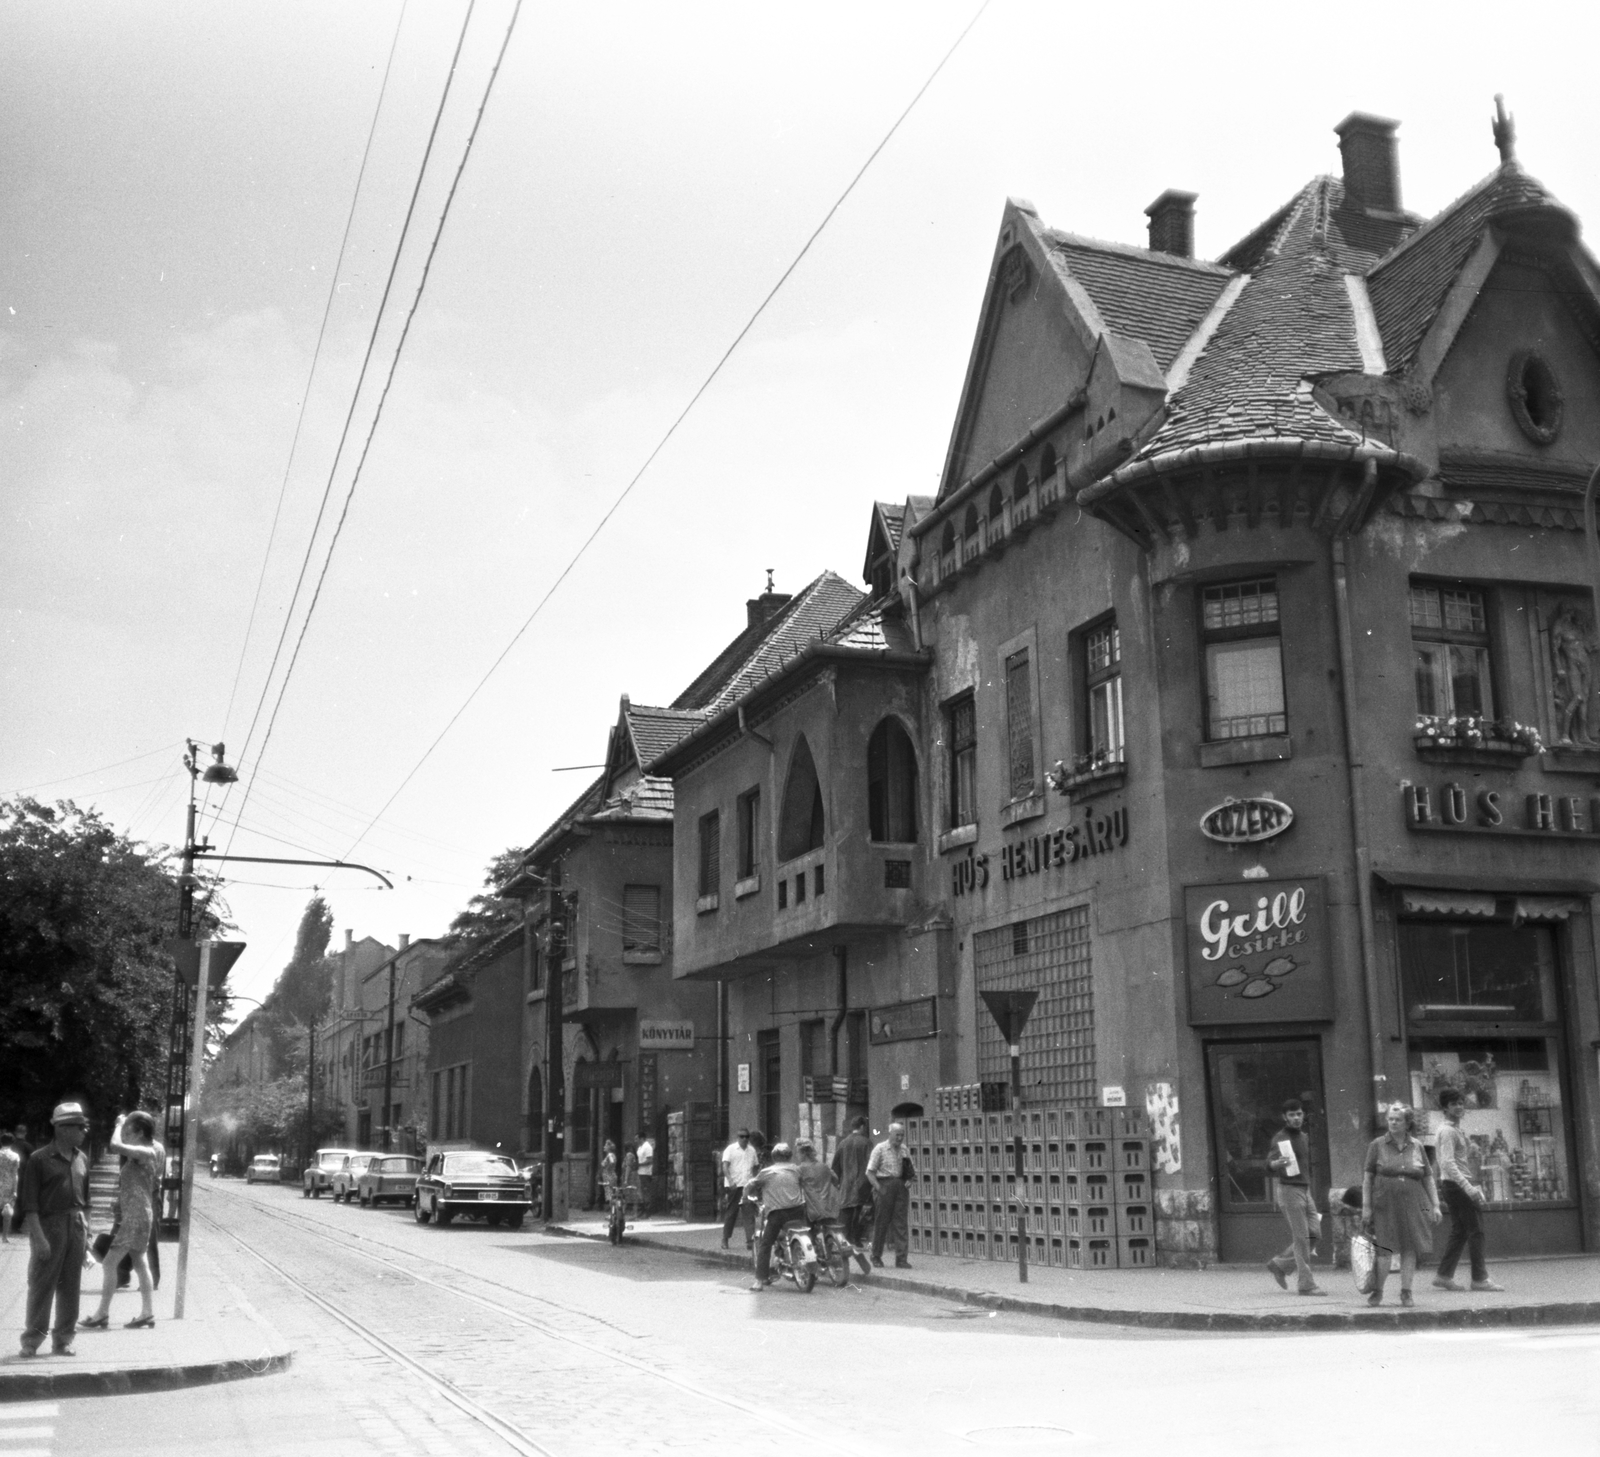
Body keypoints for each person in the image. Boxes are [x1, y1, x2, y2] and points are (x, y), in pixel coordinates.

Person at [18, 1101, 91, 1357]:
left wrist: (87, 1234)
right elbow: (30, 1205)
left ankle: (64, 1339)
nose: (84, 1131)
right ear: (61, 1129)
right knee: (42, 1284)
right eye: (79, 1127)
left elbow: (86, 1201)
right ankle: (32, 1339)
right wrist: (39, 1239)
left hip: (76, 1226)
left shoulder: (82, 1159)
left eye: (84, 1126)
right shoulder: (39, 1159)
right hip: (49, 1226)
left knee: (71, 1286)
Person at [79, 1112, 163, 1332]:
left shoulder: (145, 1151)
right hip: (141, 1213)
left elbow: (115, 1146)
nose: (126, 1135)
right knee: (139, 1262)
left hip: (135, 1215)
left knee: (109, 1263)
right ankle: (147, 1313)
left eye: (130, 1131)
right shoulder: (158, 1148)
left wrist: (117, 1124)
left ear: (140, 1132)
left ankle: (102, 1314)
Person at [1362, 1102, 1440, 1307]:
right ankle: (1378, 1291)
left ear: (1407, 1123)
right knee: (1385, 1248)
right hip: (1385, 1203)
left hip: (1414, 1202)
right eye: (1390, 1119)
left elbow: (1428, 1178)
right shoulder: (1377, 1145)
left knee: (1409, 1247)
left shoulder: (1417, 1146)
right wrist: (1366, 1206)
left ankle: (1406, 1292)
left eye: (1398, 1120)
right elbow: (1367, 1178)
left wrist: (1436, 1204)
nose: (1393, 1122)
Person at [1432, 1089, 1505, 1293]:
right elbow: (1447, 1162)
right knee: (1476, 1231)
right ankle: (1479, 1279)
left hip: (1452, 1185)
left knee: (1460, 1231)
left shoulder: (1451, 1130)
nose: (1459, 1107)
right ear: (1445, 1107)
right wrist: (1468, 1187)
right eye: (1454, 1103)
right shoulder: (1448, 1131)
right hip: (1458, 1186)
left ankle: (1444, 1275)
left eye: (1461, 1103)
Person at [1264, 1098, 1325, 1296]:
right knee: (1302, 1239)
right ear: (1285, 1117)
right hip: (1289, 1190)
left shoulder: (1303, 1137)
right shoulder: (1280, 1138)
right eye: (1292, 1115)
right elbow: (1269, 1164)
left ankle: (1280, 1265)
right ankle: (1306, 1284)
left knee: (1314, 1233)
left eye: (1299, 1114)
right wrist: (1276, 1164)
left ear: (1303, 1115)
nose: (1296, 1118)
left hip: (1304, 1190)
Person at [743, 1143, 807, 1291]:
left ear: (774, 1157)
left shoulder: (767, 1172)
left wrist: (745, 1198)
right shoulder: (796, 1170)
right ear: (789, 1156)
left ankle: (759, 1281)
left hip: (777, 1214)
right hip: (798, 1210)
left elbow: (749, 1186)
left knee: (765, 1244)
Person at [866, 1121, 913, 1269]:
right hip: (884, 1185)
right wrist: (879, 1188)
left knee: (901, 1223)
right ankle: (876, 1256)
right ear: (890, 1134)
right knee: (882, 1222)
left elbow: (910, 1171)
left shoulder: (904, 1150)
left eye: (902, 1135)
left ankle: (901, 1258)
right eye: (897, 1135)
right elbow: (869, 1172)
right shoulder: (880, 1149)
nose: (900, 1138)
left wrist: (909, 1180)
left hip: (900, 1186)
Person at [830, 1115, 872, 1248]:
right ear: (862, 1127)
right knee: (862, 1212)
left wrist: (837, 1183)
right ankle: (857, 1239)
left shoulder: (842, 1143)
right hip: (863, 1183)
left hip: (846, 1184)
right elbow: (872, 1164)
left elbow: (835, 1166)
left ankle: (845, 1239)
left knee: (846, 1213)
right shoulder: (866, 1142)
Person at [719, 1128, 759, 1251]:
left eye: (747, 1137)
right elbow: (725, 1166)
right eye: (742, 1136)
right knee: (732, 1213)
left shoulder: (752, 1150)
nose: (744, 1139)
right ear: (738, 1137)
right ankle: (725, 1239)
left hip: (747, 1185)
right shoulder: (730, 1150)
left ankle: (750, 1240)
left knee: (749, 1213)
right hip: (735, 1186)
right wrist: (730, 1181)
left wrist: (755, 1181)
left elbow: (756, 1166)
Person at [794, 1139, 840, 1224]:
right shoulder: (824, 1166)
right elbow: (835, 1179)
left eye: (797, 1152)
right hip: (830, 1209)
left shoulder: (800, 1169)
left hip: (814, 1211)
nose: (796, 1155)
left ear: (804, 1153)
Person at [9, 1124, 31, 1236]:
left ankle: (5, 1225)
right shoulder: (28, 1147)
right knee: (20, 1202)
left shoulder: (10, 1146)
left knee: (7, 1200)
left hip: (8, 1177)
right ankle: (16, 1226)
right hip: (22, 1178)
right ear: (25, 1133)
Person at [0, 1133, 20, 1243]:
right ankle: (4, 1237)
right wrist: (15, 1190)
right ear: (12, 1142)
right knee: (7, 1212)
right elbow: (15, 1174)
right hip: (8, 1185)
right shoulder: (15, 1156)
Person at [636, 1134, 655, 1215]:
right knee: (641, 1192)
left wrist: (639, 1164)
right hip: (640, 1172)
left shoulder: (647, 1147)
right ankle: (643, 1209)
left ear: (642, 1138)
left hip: (646, 1172)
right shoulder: (640, 1147)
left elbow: (650, 1160)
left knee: (646, 1191)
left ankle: (648, 1210)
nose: (635, 1141)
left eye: (637, 1139)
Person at [598, 1139, 619, 1208]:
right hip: (611, 1175)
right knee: (612, 1193)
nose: (604, 1147)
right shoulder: (612, 1155)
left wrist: (607, 1169)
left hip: (609, 1175)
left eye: (605, 1145)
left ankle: (613, 1212)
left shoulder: (609, 1154)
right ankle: (614, 1212)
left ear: (609, 1147)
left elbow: (612, 1162)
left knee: (610, 1194)